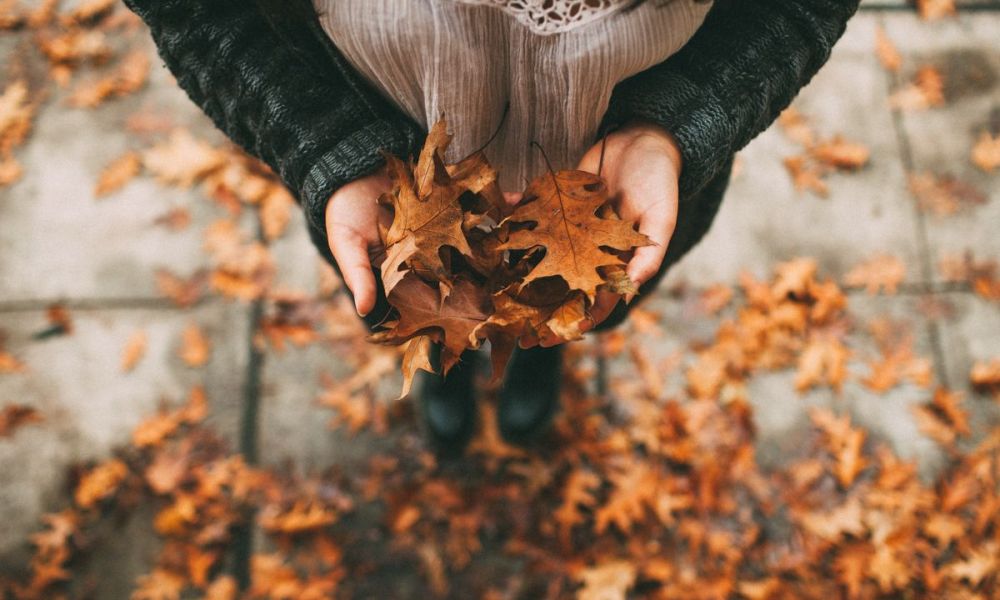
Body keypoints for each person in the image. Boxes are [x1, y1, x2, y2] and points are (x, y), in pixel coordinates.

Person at [123, 0, 860, 456]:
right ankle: (450, 356)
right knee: (423, 297)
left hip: (610, 163)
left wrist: (682, 120)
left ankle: (544, 348)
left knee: (573, 300)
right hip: (390, 152)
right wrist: (321, 143)